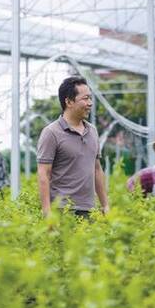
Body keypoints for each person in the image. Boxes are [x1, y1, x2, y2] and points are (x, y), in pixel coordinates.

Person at [36, 76, 109, 219]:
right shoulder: (51, 133)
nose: (90, 103)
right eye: (85, 99)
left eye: (90, 98)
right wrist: (47, 211)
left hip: (90, 210)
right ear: (68, 101)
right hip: (63, 210)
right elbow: (43, 173)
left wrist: (105, 205)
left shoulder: (92, 131)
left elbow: (97, 170)